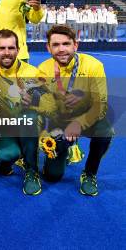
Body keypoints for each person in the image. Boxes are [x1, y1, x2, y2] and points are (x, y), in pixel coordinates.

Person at [0, 29, 56, 195]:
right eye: (1, 48)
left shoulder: (33, 73)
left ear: (18, 50)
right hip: (2, 127)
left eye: (11, 48)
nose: (6, 53)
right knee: (5, 152)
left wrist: (34, 102)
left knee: (30, 118)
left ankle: (31, 171)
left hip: (24, 127)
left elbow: (51, 107)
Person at [37, 25, 113, 196]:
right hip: (59, 120)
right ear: (48, 47)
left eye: (66, 44)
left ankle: (89, 173)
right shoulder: (43, 69)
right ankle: (68, 146)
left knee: (105, 130)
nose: (61, 49)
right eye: (55, 45)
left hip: (87, 118)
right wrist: (45, 135)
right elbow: (41, 107)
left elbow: (100, 104)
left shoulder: (94, 66)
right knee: (52, 176)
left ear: (75, 45)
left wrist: (79, 123)